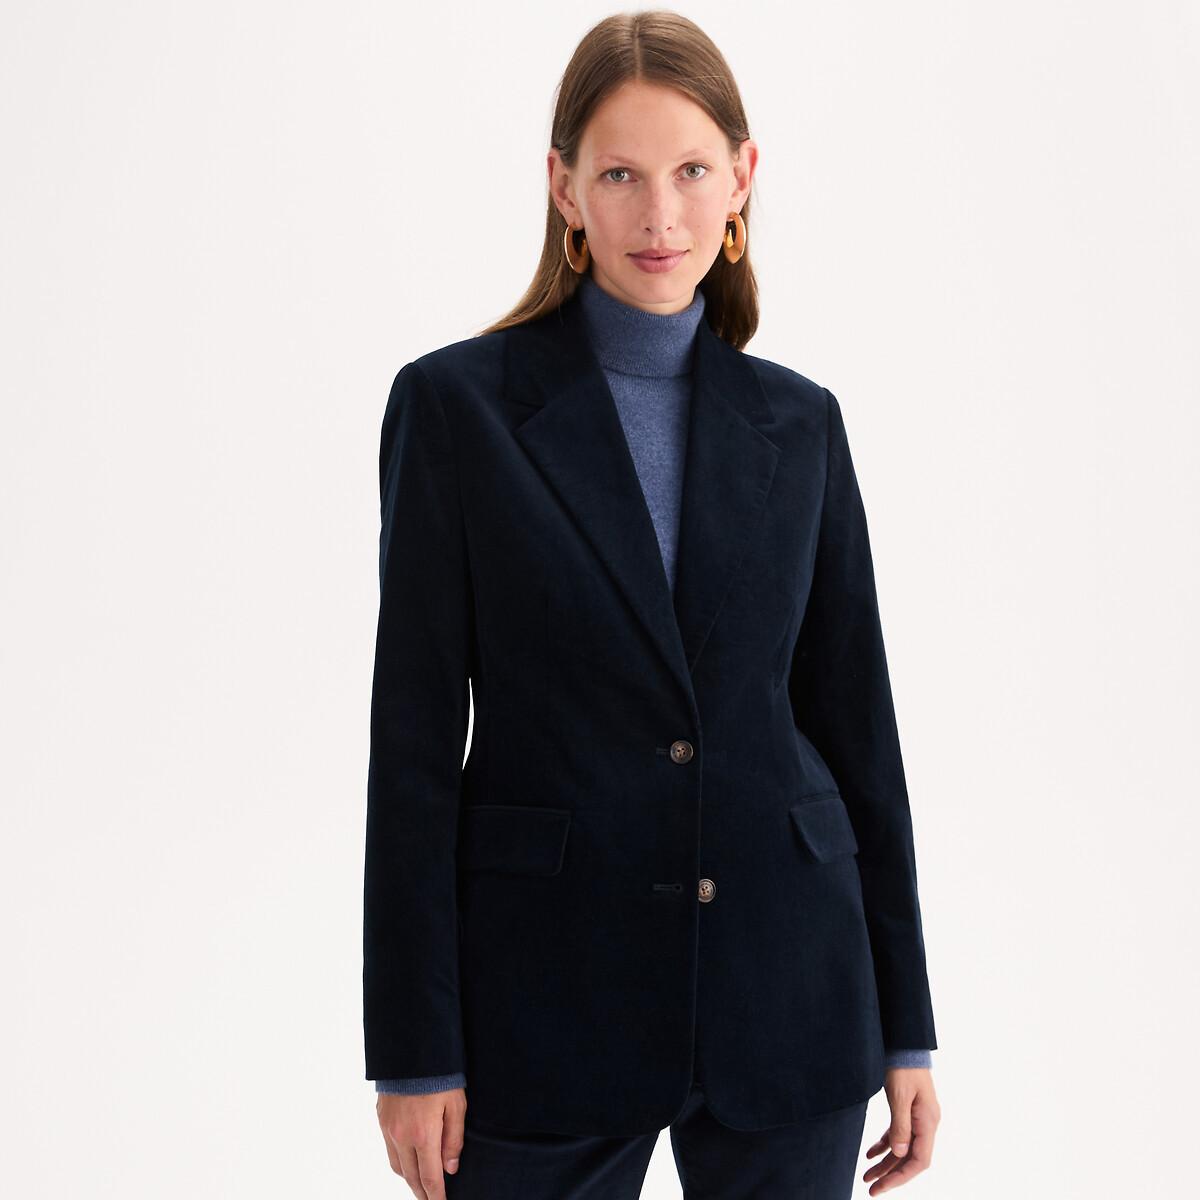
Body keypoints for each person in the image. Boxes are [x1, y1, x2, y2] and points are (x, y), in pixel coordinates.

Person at [364, 11, 941, 1198]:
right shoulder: (457, 412)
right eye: (620, 175)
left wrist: (906, 1029)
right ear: (564, 190)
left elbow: (857, 732)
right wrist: (414, 1051)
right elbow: (411, 750)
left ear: (742, 178)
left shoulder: (801, 424)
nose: (659, 215)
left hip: (790, 991)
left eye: (690, 171)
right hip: (542, 1002)